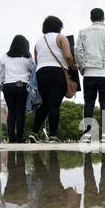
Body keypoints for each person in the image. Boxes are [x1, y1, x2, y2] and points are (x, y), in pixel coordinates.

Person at [29, 16, 76, 144]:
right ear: (59, 27)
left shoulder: (38, 42)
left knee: (45, 104)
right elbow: (67, 55)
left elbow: (37, 61)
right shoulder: (61, 37)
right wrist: (73, 66)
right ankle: (53, 136)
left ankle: (33, 133)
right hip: (57, 72)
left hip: (41, 73)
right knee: (54, 105)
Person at [76, 8, 105, 143]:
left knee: (88, 103)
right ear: (103, 18)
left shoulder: (83, 32)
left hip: (89, 72)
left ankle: (87, 134)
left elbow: (78, 51)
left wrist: (80, 67)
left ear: (91, 18)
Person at [0, 35, 34, 143]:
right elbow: (33, 70)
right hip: (22, 85)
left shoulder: (5, 57)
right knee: (20, 112)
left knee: (11, 112)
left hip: (7, 86)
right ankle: (19, 137)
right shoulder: (27, 57)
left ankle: (11, 137)